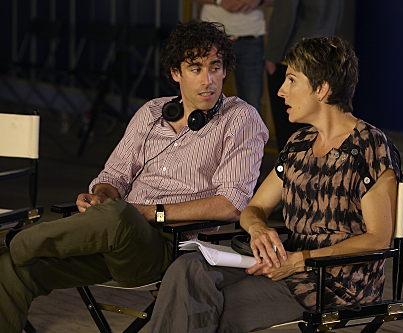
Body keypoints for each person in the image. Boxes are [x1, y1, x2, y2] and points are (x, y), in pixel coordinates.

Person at [0, 19, 268, 333]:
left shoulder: (240, 119)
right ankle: (15, 248)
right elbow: (113, 176)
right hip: (109, 237)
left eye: (215, 67)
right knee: (10, 269)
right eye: (196, 69)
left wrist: (147, 214)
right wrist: (101, 193)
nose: (208, 79)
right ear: (175, 74)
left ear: (225, 70)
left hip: (168, 248)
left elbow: (231, 205)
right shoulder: (152, 112)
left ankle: (14, 239)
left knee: (116, 215)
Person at [147, 36, 402, 333]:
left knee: (204, 309)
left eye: (291, 80)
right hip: (286, 264)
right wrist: (258, 228)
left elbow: (377, 239)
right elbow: (255, 206)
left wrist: (300, 261)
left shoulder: (370, 146)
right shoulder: (299, 144)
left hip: (333, 284)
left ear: (322, 89)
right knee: (187, 269)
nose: (281, 91)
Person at [265, 0, 345, 151]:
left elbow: (284, 15)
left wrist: (272, 55)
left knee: (288, 126)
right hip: (324, 56)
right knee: (314, 124)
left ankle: (289, 169)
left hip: (292, 57)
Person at [193, 0, 272, 111]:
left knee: (251, 103)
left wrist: (258, 1)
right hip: (212, 38)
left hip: (251, 38)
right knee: (205, 97)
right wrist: (219, 1)